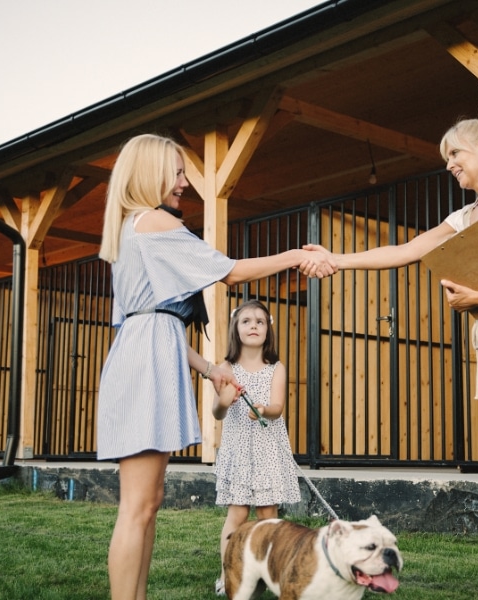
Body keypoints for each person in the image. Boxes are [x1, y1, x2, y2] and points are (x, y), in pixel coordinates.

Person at [303, 101, 478, 600]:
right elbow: (405, 251)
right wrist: (336, 259)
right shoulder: (467, 216)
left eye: (454, 153)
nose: (449, 163)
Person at [96, 133, 335, 600]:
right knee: (138, 506)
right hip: (144, 363)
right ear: (150, 173)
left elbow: (152, 319)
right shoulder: (152, 223)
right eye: (178, 172)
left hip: (146, 352)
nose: (185, 182)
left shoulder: (133, 229)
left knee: (149, 502)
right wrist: (297, 256)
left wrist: (208, 367)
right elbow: (230, 271)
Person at [211, 299, 302, 596]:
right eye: (246, 321)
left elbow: (277, 407)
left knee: (268, 515)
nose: (253, 326)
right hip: (238, 451)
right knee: (237, 515)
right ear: (236, 329)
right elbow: (218, 412)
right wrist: (224, 400)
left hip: (266, 451)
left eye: (260, 322)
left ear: (268, 330)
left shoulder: (276, 368)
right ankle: (229, 574)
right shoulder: (226, 368)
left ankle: (274, 574)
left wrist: (263, 409)